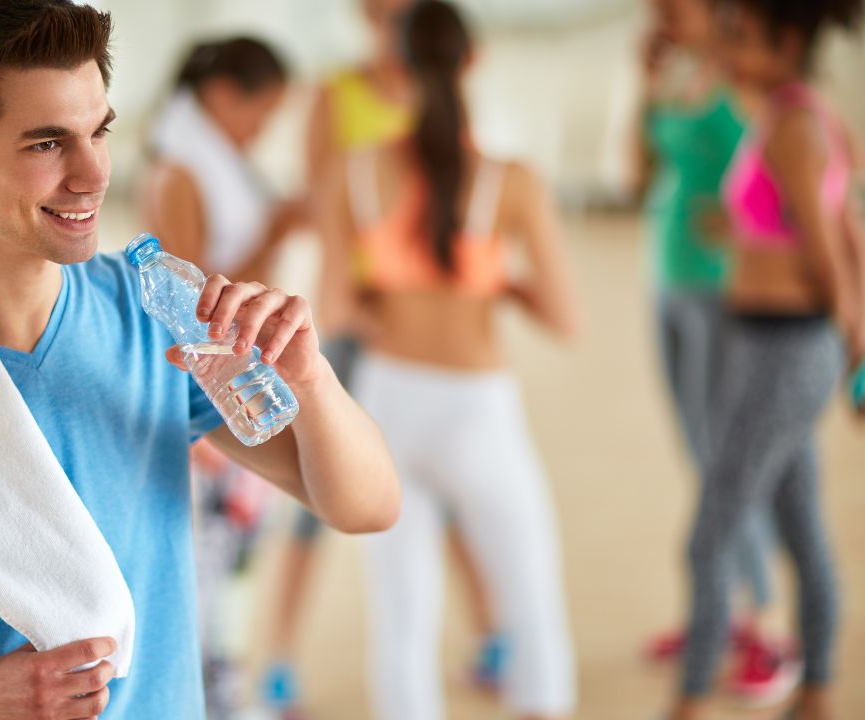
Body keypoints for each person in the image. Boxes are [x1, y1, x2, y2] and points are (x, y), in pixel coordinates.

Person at [0, 3, 400, 719]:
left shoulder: (153, 318)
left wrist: (310, 377)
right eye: (47, 144)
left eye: (99, 132)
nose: (92, 174)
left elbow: (366, 504)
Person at [323, 2, 578, 718]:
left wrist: (389, 291)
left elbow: (336, 309)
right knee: (531, 605)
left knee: (402, 622)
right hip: (478, 409)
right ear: (475, 61)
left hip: (387, 405)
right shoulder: (512, 182)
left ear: (394, 69)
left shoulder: (357, 174)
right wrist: (505, 284)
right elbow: (567, 318)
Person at [260, 1, 506, 711]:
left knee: (442, 480)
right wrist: (354, 297)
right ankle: (278, 659)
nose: (393, 20)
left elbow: (457, 216)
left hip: (425, 328)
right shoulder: (335, 96)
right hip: (349, 323)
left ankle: (491, 633)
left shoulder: (443, 93)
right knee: (310, 492)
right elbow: (320, 204)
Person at [668, 0, 865, 718]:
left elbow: (831, 257)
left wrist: (862, 355)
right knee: (798, 524)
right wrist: (738, 230)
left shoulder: (794, 126)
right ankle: (816, 688)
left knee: (709, 539)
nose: (722, 46)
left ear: (785, 42)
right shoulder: (793, 115)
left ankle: (689, 701)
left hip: (787, 351)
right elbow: (833, 234)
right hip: (768, 344)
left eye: (738, 35)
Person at [630, 0, 794, 703]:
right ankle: (720, 614)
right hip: (667, 277)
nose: (660, 10)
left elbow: (794, 176)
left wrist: (740, 219)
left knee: (727, 458)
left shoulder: (747, 74)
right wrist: (644, 85)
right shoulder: (671, 71)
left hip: (726, 289)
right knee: (698, 451)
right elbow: (637, 170)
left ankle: (767, 628)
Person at [142, 36, 301, 717]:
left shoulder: (215, 161)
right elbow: (193, 308)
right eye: (259, 113)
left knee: (233, 556)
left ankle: (225, 694)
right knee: (209, 569)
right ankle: (216, 702)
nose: (261, 131)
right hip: (213, 394)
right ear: (222, 97)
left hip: (243, 383)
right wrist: (280, 230)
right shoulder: (179, 174)